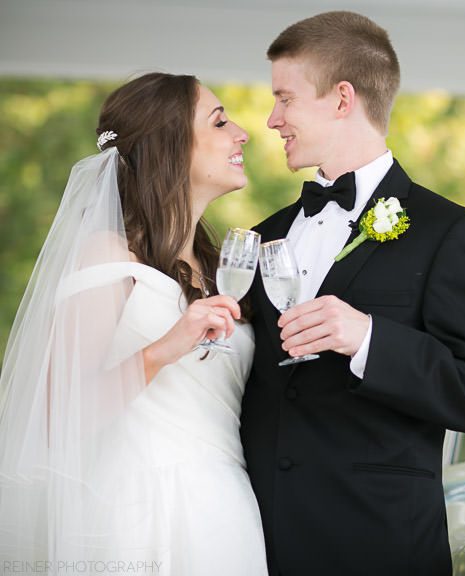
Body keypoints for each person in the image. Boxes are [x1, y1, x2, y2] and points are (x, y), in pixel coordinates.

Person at [240, 11, 465, 576]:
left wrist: (369, 338)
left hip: (380, 546)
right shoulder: (263, 235)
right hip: (257, 545)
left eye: (285, 99)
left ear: (342, 99)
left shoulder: (450, 231)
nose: (272, 120)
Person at [0, 73, 267, 575]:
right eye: (219, 121)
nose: (242, 133)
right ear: (169, 143)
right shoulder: (107, 254)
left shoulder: (219, 271)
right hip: (145, 509)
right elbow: (59, 411)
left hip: (227, 510)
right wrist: (166, 347)